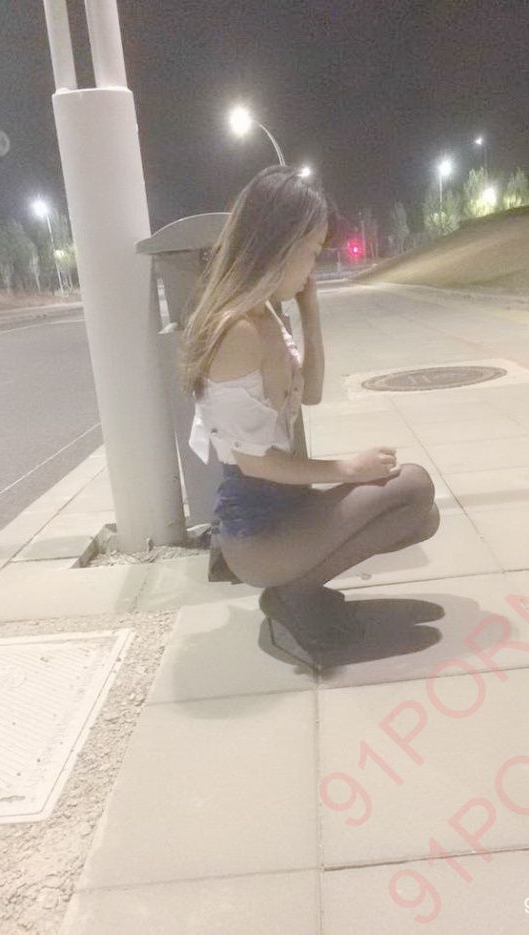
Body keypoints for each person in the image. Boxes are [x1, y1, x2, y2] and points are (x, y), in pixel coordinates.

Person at [179, 165, 440, 664]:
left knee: (421, 515)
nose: (313, 265)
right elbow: (255, 462)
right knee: (412, 486)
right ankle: (292, 593)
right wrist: (347, 469)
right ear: (279, 243)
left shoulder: (266, 314)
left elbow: (312, 393)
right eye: (312, 251)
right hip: (257, 534)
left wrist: (310, 309)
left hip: (287, 510)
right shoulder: (236, 332)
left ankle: (298, 588)